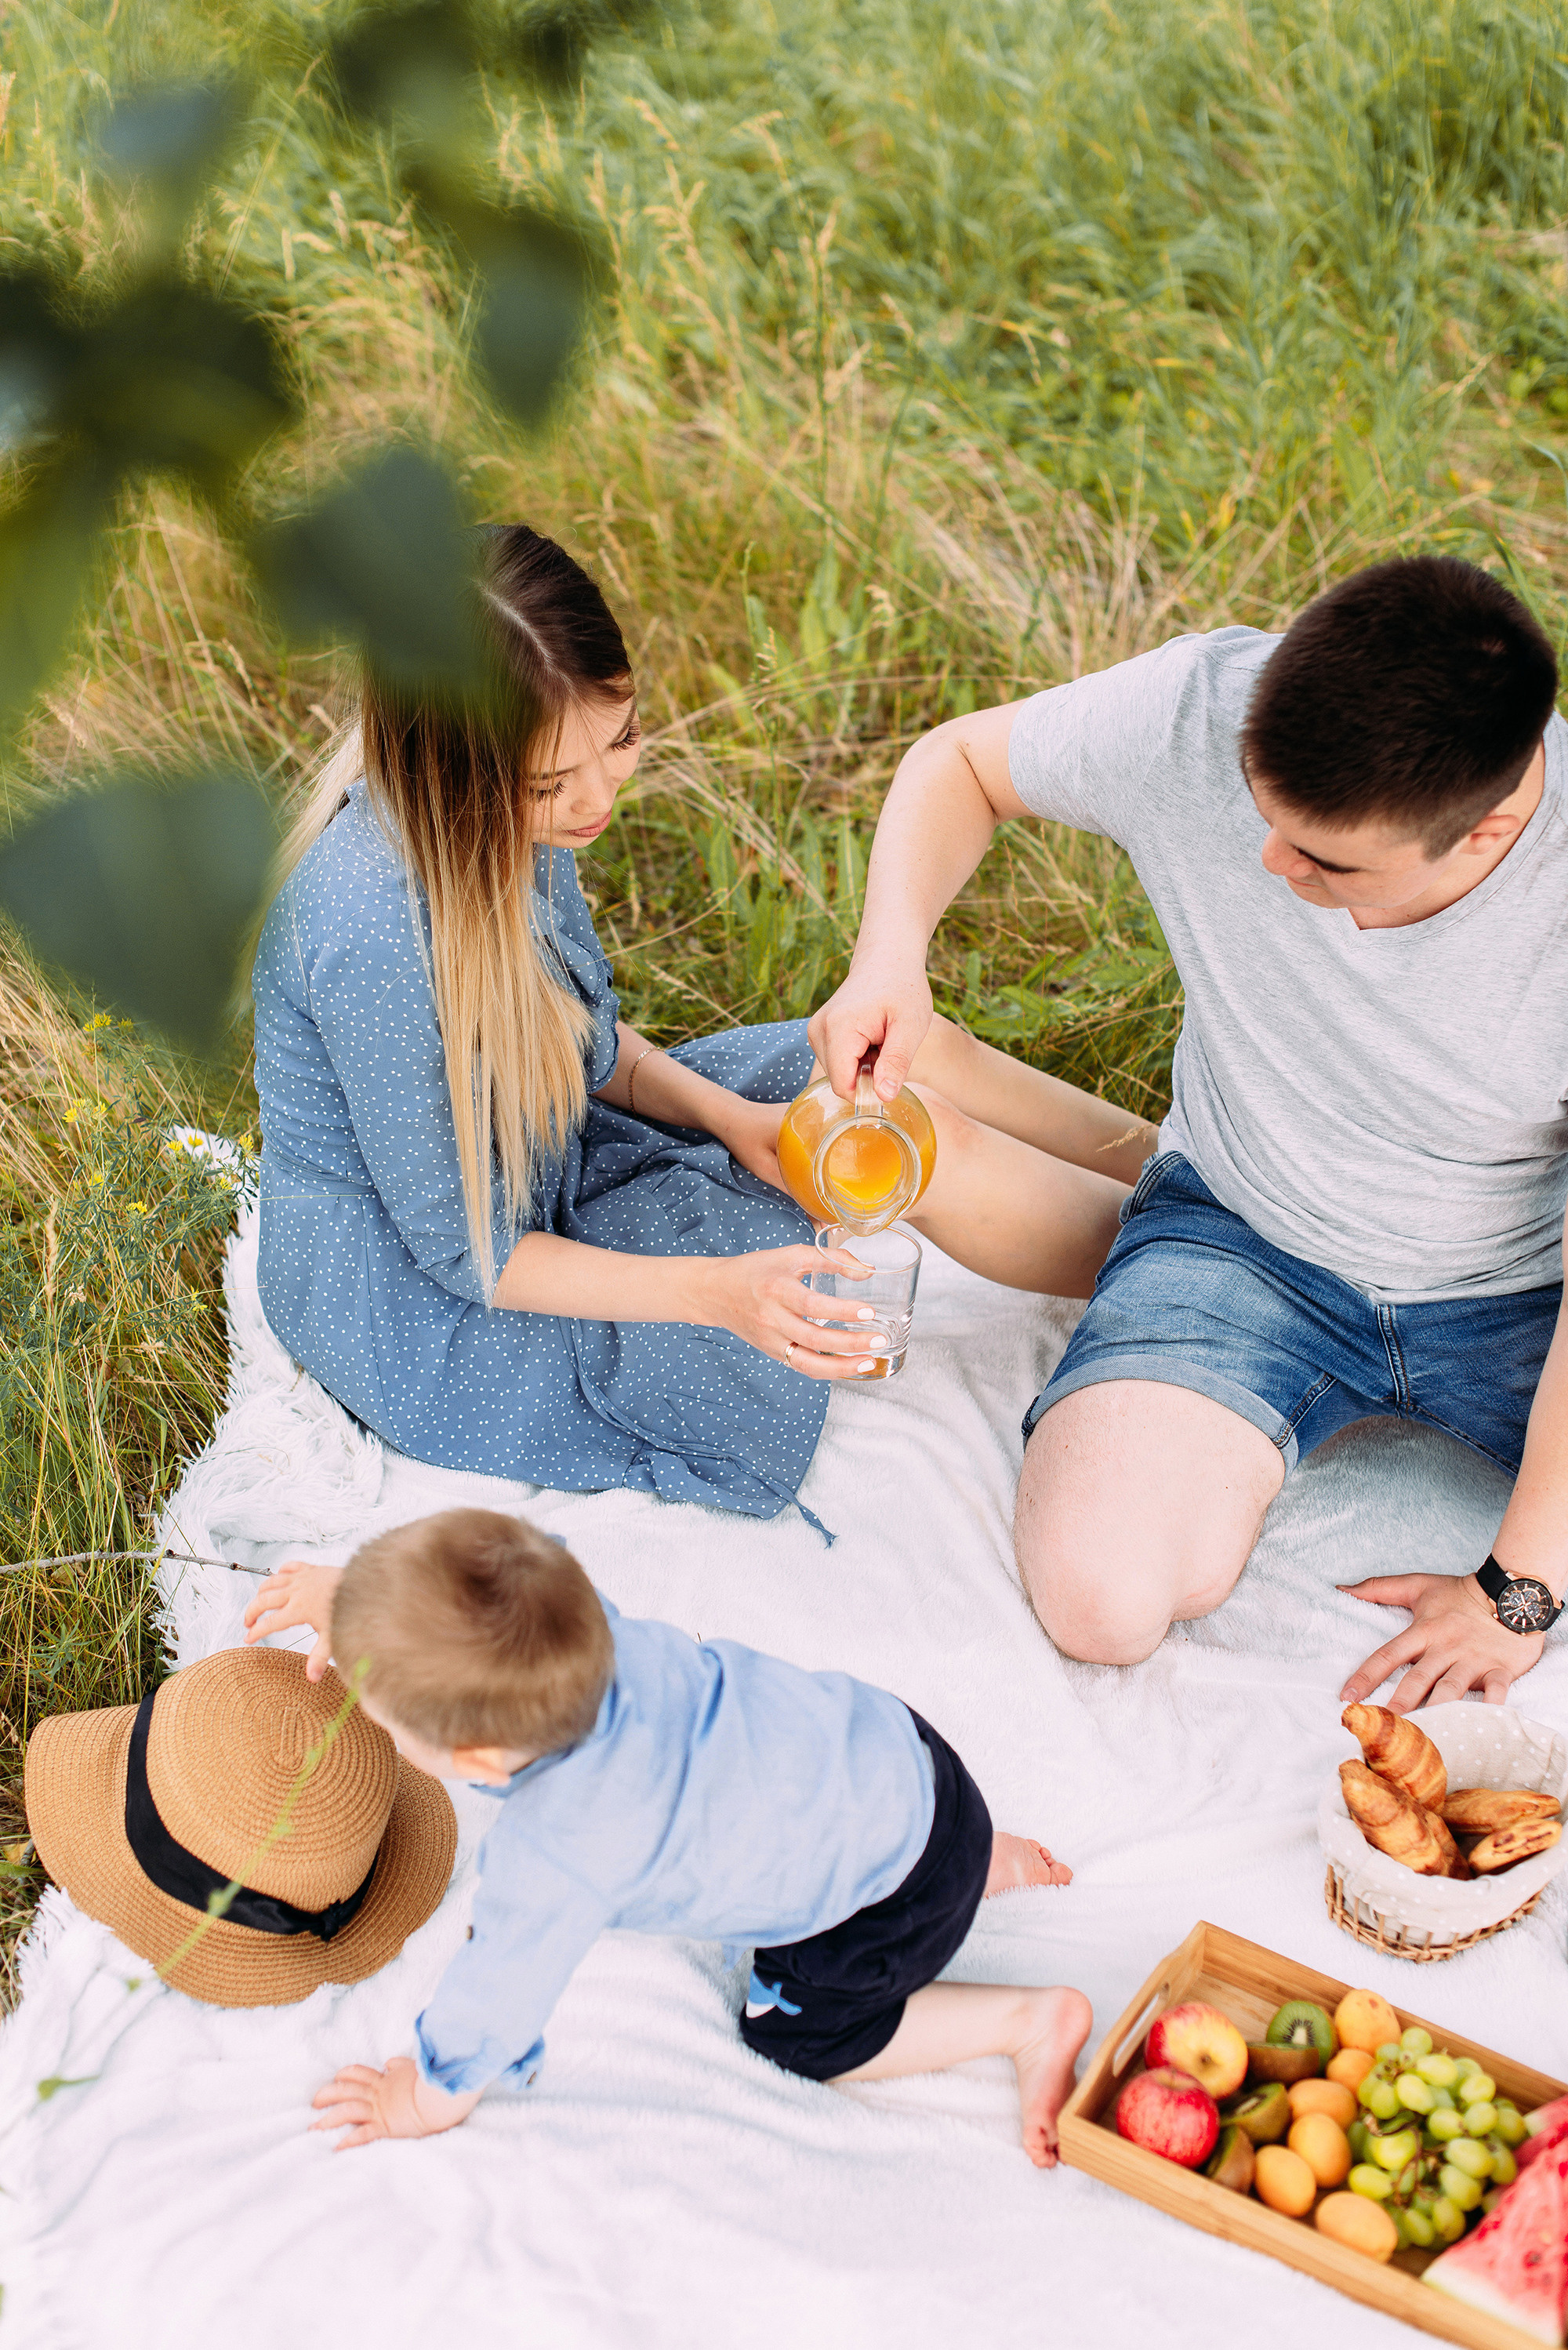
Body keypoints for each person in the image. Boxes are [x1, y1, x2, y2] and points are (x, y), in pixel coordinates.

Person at [251, 524, 1145, 1535]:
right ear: (452, 770)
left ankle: (1184, 1172)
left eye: (621, 740)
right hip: (436, 1307)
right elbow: (477, 1259)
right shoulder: (374, 931)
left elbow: (586, 1043)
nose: (596, 799)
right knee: (892, 1157)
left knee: (897, 1068)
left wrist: (734, 1123)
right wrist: (717, 1294)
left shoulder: (512, 820)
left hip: (543, 1154)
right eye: (551, 784)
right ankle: (1201, 1266)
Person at [809, 555, 1568, 1709]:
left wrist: (1519, 1590)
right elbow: (956, 762)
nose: (1271, 864)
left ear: (1488, 829)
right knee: (1100, 1600)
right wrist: (889, 959)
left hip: (1519, 1296)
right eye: (1267, 820)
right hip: (1251, 1235)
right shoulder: (1202, 709)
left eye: (1324, 859)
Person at [241, 1509, 1093, 2166]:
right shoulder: (577, 1618)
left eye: (378, 1708)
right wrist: (354, 1599)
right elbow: (485, 1587)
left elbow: (494, 1996)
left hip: (884, 1906)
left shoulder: (553, 1855)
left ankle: (1025, 2020)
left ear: (474, 1758)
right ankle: (985, 1857)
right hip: (906, 1759)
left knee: (798, 2039)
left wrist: (423, 2099)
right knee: (870, 1824)